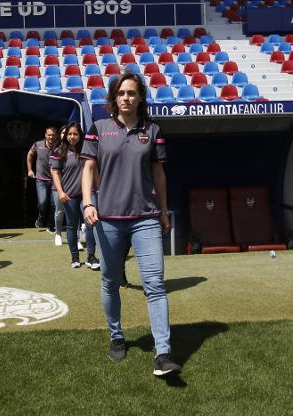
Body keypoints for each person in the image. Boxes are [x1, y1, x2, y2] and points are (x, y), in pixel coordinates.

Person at [81, 72, 181, 376]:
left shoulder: (152, 131)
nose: (127, 98)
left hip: (146, 219)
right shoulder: (98, 129)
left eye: (132, 93)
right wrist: (87, 203)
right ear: (114, 98)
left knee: (155, 284)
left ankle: (162, 353)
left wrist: (163, 210)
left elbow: (159, 174)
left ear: (140, 97)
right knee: (110, 282)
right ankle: (116, 336)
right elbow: (88, 168)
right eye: (122, 93)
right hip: (107, 219)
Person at [50, 122, 86, 268]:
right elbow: (55, 173)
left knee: (90, 225)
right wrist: (60, 191)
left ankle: (91, 256)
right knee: (72, 226)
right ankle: (75, 258)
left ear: (80, 135)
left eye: (75, 134)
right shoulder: (59, 152)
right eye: (70, 134)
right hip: (69, 195)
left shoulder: (87, 149)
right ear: (65, 136)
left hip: (87, 195)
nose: (72, 137)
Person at [27, 126, 59, 233]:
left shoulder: (60, 147)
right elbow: (30, 155)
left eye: (53, 135)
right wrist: (30, 170)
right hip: (41, 179)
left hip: (55, 180)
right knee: (42, 202)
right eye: (49, 135)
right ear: (45, 135)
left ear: (56, 136)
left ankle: (51, 225)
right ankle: (41, 218)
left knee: (54, 204)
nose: (51, 137)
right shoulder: (37, 145)